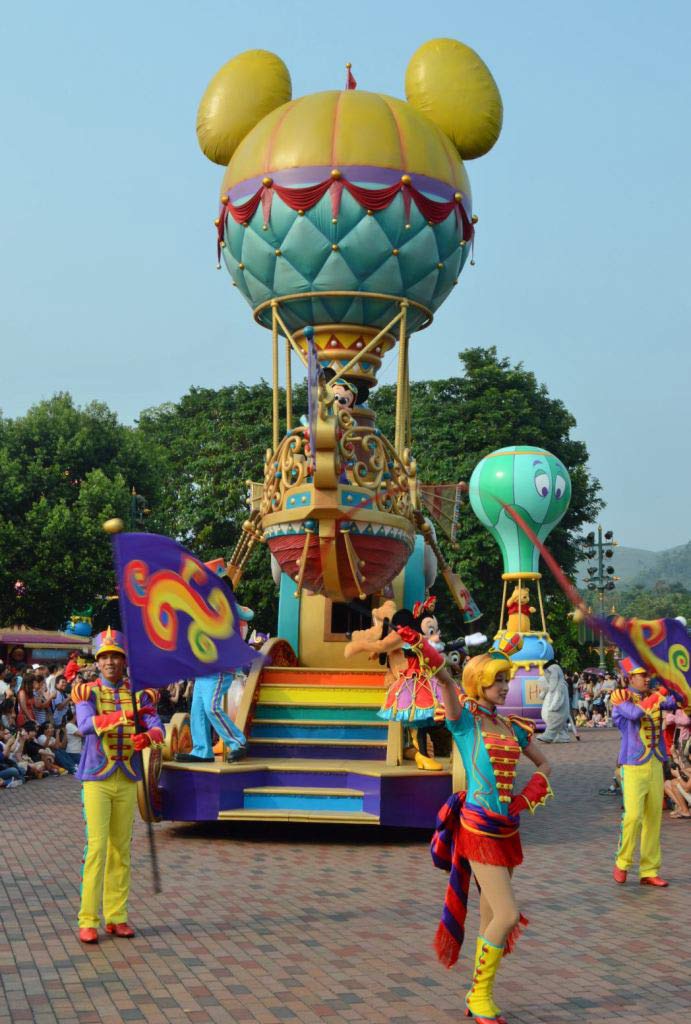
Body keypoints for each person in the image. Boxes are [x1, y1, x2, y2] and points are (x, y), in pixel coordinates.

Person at [432, 636, 552, 1024]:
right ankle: (478, 995)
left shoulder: (512, 727)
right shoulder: (466, 723)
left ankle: (480, 996)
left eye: (506, 680)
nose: (504, 686)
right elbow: (447, 686)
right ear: (478, 681)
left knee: (490, 917)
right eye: (497, 680)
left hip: (506, 829)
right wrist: (432, 659)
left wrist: (524, 798)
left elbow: (545, 765)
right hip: (478, 828)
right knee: (508, 913)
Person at [72, 627, 163, 943]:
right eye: (105, 656)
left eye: (116, 656)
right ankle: (88, 919)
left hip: (126, 778)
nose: (110, 662)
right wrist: (126, 716)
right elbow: (85, 726)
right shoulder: (88, 693)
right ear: (98, 662)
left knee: (121, 850)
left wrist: (148, 736)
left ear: (124, 662)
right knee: (96, 848)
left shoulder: (140, 695)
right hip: (96, 778)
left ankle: (116, 916)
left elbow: (156, 725)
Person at [611, 660, 681, 887]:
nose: (647, 678)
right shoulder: (621, 697)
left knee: (654, 818)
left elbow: (675, 703)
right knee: (633, 817)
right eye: (642, 675)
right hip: (632, 764)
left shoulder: (655, 695)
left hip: (655, 762)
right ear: (630, 678)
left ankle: (649, 869)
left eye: (647, 674)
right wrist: (659, 694)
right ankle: (622, 863)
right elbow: (633, 714)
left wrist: (679, 686)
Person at [537, 660, 572, 743]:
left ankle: (548, 735)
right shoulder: (555, 685)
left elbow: (558, 698)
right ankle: (563, 736)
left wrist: (553, 707)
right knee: (561, 725)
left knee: (554, 724)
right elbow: (546, 691)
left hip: (557, 711)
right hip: (557, 711)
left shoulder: (560, 685)